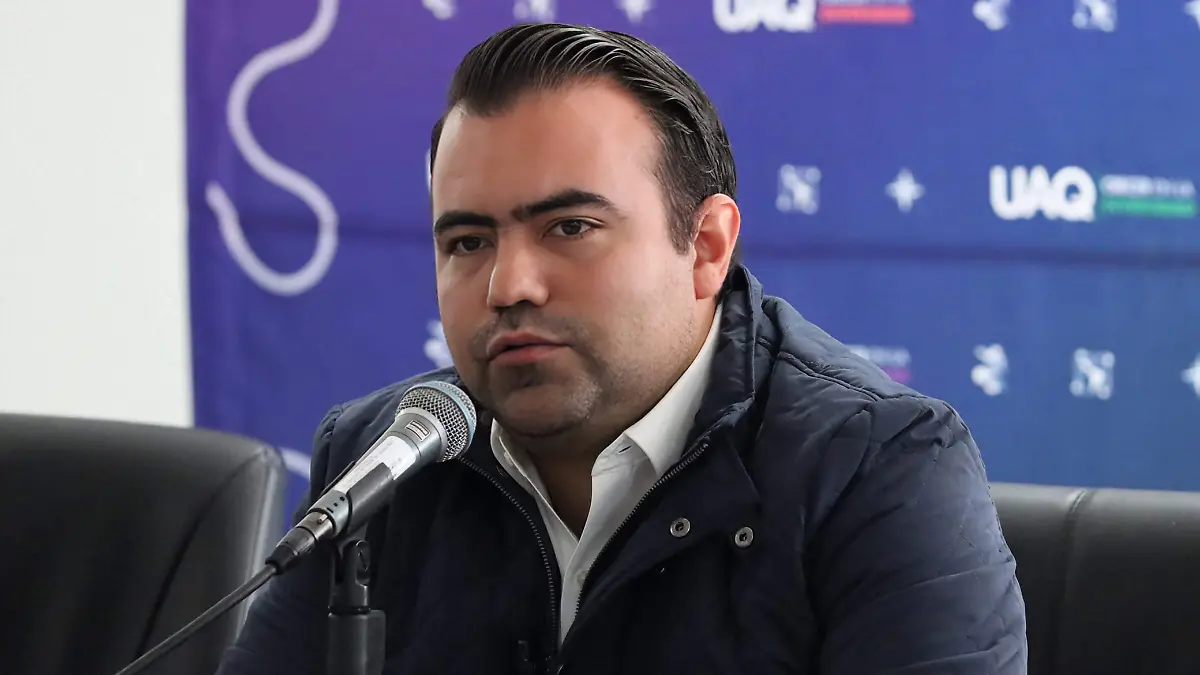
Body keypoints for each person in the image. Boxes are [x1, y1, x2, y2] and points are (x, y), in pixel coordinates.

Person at [216, 22, 1027, 675]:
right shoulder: (381, 460)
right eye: (467, 241)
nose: (508, 284)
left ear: (706, 247)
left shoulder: (875, 466)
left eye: (569, 227)